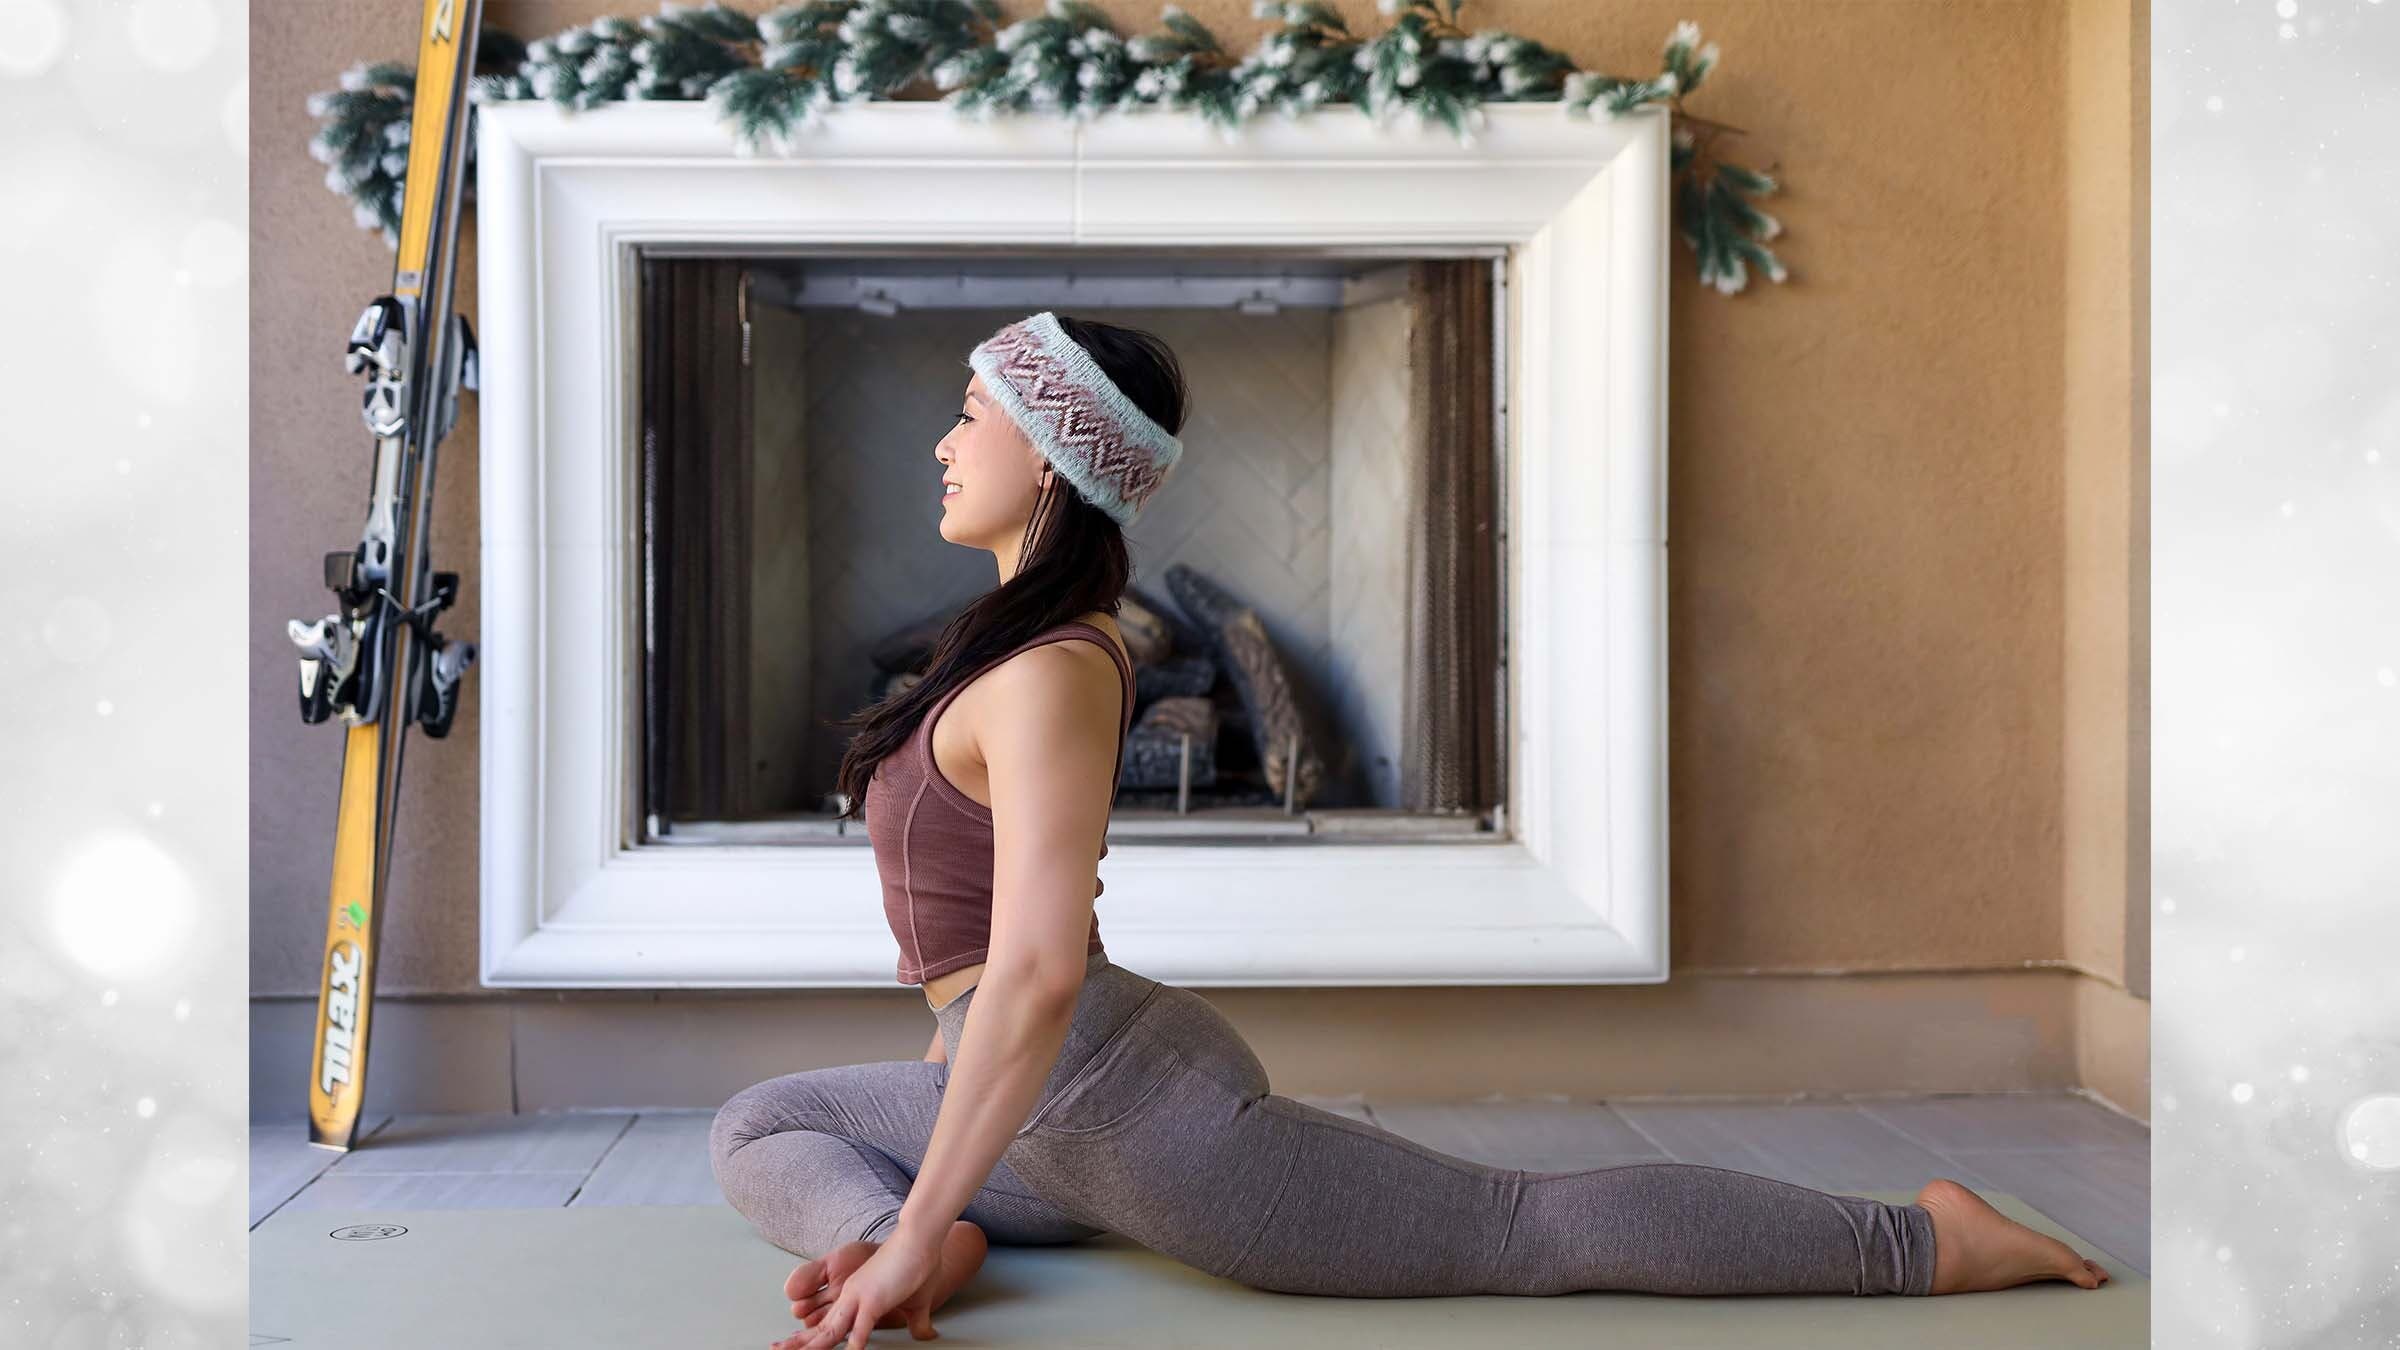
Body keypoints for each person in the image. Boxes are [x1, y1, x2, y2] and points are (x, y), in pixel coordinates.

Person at [710, 311, 2111, 1350]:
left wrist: (925, 1211)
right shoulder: (1013, 650)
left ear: (1054, 450)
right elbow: (987, 962)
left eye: (971, 412)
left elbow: (1034, 968)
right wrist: (920, 1207)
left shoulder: (1049, 672)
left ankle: (1926, 1242)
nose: (944, 440)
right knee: (762, 1122)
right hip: (1036, 1098)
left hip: (1123, 1111)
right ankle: (915, 1233)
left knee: (1519, 1228)